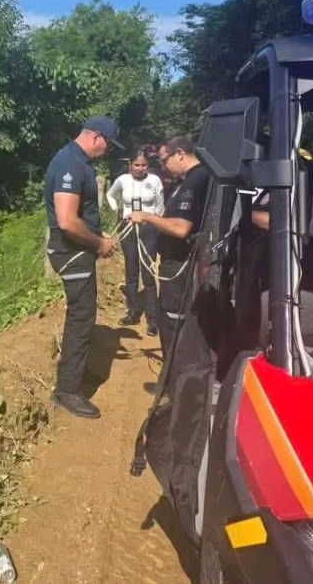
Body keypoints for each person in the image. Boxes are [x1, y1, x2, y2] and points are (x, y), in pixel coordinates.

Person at [45, 115, 123, 419]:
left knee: (84, 314)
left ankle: (73, 375)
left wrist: (98, 234)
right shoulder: (70, 164)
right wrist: (98, 243)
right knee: (82, 317)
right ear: (97, 137)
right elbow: (67, 221)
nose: (108, 151)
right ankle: (67, 391)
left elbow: (81, 215)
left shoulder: (76, 162)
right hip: (72, 252)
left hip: (78, 249)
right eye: (108, 145)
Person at [129, 135, 210, 359]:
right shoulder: (187, 181)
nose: (163, 166)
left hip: (180, 266)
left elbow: (181, 228)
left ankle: (175, 377)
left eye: (165, 160)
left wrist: (147, 216)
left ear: (180, 154)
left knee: (174, 320)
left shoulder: (197, 180)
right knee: (171, 318)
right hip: (173, 264)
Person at [106, 149, 165, 335]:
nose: (140, 168)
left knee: (148, 274)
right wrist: (117, 209)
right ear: (130, 164)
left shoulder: (154, 181)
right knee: (131, 272)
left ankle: (152, 320)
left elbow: (160, 207)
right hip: (127, 227)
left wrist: (153, 221)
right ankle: (132, 313)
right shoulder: (122, 180)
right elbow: (110, 195)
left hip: (148, 229)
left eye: (144, 165)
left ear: (148, 165)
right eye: (136, 165)